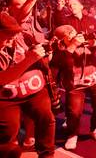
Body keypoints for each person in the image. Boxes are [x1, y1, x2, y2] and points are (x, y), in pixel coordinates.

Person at [0, 13, 55, 158]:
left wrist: (47, 54)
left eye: (14, 36)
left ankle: (47, 155)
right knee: (8, 133)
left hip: (33, 90)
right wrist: (29, 59)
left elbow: (44, 58)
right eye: (8, 37)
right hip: (6, 98)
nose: (12, 41)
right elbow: (1, 79)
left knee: (47, 120)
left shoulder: (22, 35)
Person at [50, 24, 96, 150]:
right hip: (75, 85)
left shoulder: (86, 41)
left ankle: (95, 129)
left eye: (73, 32)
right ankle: (72, 135)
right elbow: (56, 64)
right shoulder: (59, 49)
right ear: (62, 39)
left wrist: (94, 43)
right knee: (74, 113)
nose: (73, 36)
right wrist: (72, 46)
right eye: (69, 35)